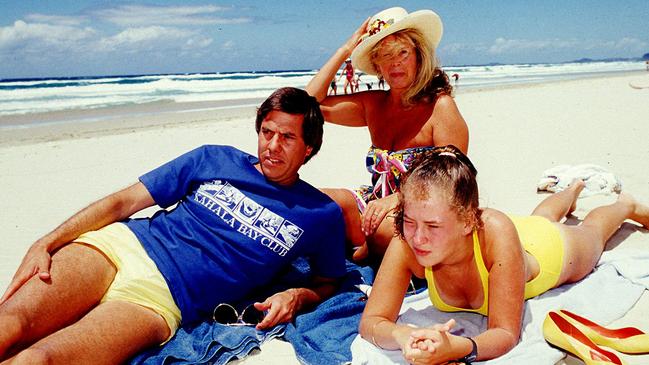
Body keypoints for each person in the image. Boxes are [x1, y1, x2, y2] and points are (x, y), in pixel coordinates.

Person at [0, 87, 347, 364]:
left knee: (37, 358)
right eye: (267, 132)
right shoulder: (213, 158)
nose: (271, 147)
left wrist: (298, 295)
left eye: (286, 138)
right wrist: (45, 242)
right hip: (121, 248)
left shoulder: (320, 214)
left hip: (159, 301)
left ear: (308, 148)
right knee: (9, 325)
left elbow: (328, 282)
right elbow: (124, 202)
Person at [359, 145, 649, 364]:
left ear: (467, 221)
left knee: (591, 233)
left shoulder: (495, 230)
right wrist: (402, 334)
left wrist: (461, 348)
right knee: (542, 215)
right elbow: (372, 321)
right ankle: (573, 189)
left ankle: (626, 206)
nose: (418, 237)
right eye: (410, 221)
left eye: (433, 226)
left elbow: (506, 334)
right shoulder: (408, 240)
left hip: (548, 250)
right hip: (512, 239)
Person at [306, 7, 469, 260]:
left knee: (382, 230)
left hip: (423, 211)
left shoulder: (440, 107)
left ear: (418, 55)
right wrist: (345, 50)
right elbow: (307, 105)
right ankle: (357, 253)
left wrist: (395, 200)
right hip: (374, 204)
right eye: (384, 56)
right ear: (377, 66)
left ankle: (359, 255)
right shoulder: (373, 105)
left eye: (402, 53)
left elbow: (452, 180)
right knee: (317, 201)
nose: (395, 63)